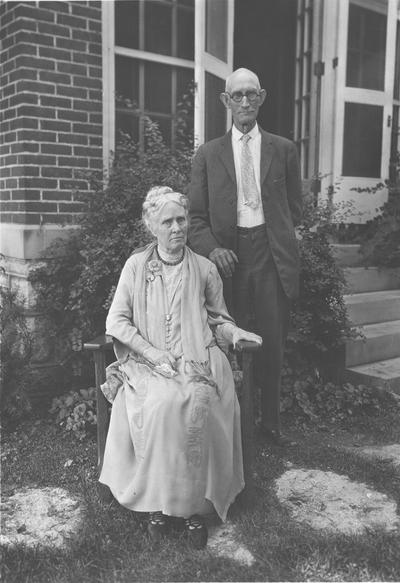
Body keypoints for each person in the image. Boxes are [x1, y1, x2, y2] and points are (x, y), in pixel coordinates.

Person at [99, 186, 262, 549]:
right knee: (161, 406)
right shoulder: (136, 267)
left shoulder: (204, 269)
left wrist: (234, 332)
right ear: (151, 226)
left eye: (181, 219)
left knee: (197, 403)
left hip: (200, 359)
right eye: (167, 221)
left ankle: (193, 511)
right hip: (148, 363)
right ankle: (158, 505)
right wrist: (152, 352)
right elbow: (117, 321)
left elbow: (219, 320)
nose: (177, 227)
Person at [188, 68, 302, 447]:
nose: (245, 102)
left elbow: (294, 210)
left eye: (251, 94)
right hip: (228, 259)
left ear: (262, 97)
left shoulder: (283, 150)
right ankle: (230, 427)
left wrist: (277, 242)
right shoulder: (208, 154)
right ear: (225, 101)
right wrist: (214, 249)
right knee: (225, 342)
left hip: (269, 255)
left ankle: (270, 423)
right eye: (237, 95)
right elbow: (196, 219)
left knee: (271, 339)